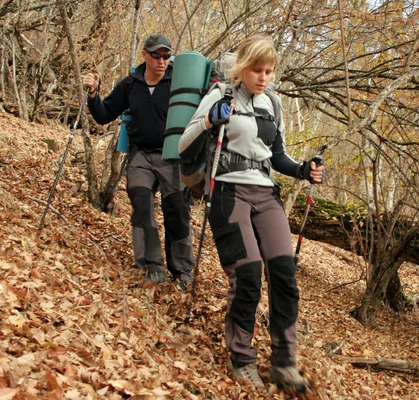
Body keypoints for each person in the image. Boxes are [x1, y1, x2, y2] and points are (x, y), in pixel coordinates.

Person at [179, 35, 325, 393]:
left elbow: (278, 156)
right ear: (243, 68)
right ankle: (241, 358)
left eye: (269, 71)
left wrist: (304, 170)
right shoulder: (221, 96)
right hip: (228, 191)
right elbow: (184, 144)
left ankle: (284, 363)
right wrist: (211, 121)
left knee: (285, 273)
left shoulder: (273, 104)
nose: (263, 77)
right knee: (248, 273)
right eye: (257, 70)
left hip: (265, 192)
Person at [83, 34, 194, 289]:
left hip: (172, 157)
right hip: (141, 155)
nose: (162, 61)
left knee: (177, 211)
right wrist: (93, 94)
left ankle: (182, 272)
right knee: (142, 203)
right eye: (156, 55)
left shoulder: (178, 80)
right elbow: (104, 115)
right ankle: (153, 266)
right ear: (144, 55)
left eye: (166, 56)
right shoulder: (130, 84)